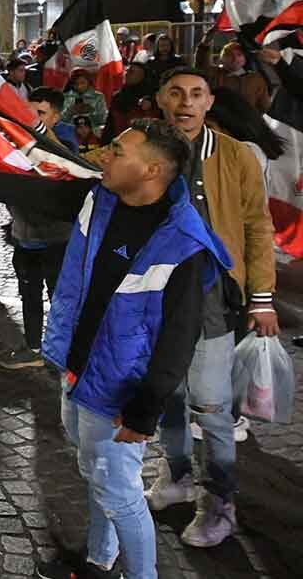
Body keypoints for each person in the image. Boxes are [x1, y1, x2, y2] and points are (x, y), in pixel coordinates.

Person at [0, 120, 232, 579]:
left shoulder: (183, 242)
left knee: (121, 494)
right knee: (98, 478)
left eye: (119, 151)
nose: (105, 155)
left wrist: (144, 412)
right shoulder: (98, 197)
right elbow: (20, 189)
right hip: (78, 371)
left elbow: (178, 339)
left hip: (118, 390)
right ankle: (99, 561)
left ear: (152, 169)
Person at [143, 67, 278, 547]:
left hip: (211, 301)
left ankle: (219, 503)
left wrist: (261, 298)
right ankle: (177, 476)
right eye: (176, 92)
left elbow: (257, 226)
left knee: (213, 406)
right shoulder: (140, 147)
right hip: (152, 298)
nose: (186, 102)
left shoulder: (236, 155)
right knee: (167, 397)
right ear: (160, 99)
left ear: (208, 103)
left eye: (196, 94)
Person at [0, 87, 76, 369]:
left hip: (57, 240)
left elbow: (64, 165)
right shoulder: (13, 144)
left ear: (56, 117)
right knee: (29, 295)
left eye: (40, 115)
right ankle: (33, 347)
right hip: (25, 237)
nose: (31, 120)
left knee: (60, 297)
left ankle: (63, 352)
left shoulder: (65, 142)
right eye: (28, 114)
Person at [199, 39, 271, 114]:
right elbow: (201, 64)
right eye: (229, 55)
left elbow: (264, 106)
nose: (235, 58)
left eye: (239, 55)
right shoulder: (214, 74)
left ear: (244, 58)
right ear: (222, 58)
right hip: (218, 121)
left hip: (245, 122)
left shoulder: (256, 79)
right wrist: (205, 43)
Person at [105, 64, 155, 140]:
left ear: (142, 76)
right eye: (127, 71)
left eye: (131, 72)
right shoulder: (118, 96)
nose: (127, 74)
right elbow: (110, 125)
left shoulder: (151, 99)